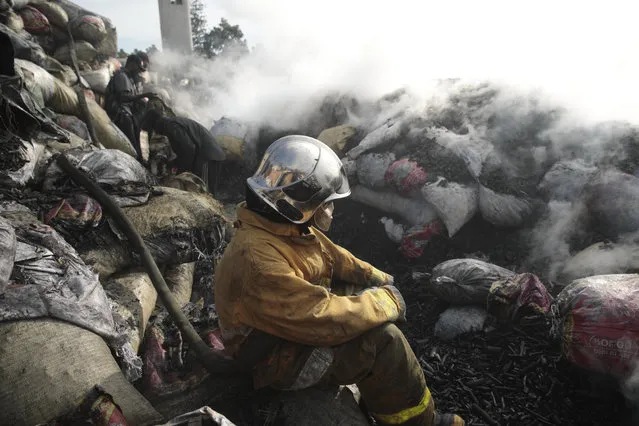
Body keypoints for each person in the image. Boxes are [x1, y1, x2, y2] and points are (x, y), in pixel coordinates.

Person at [214, 135, 465, 426]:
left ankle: (382, 392)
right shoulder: (258, 261)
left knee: (367, 299)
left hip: (286, 326)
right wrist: (386, 302)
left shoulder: (283, 227)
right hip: (273, 358)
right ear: (296, 202)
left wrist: (382, 279)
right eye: (325, 203)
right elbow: (320, 317)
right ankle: (420, 422)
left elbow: (335, 257)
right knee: (383, 341)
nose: (329, 210)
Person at [140, 108, 226, 191]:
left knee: (205, 192)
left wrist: (183, 170)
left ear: (156, 123)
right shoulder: (172, 123)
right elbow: (185, 150)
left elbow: (189, 148)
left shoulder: (172, 126)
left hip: (208, 157)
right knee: (201, 190)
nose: (156, 132)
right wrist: (176, 162)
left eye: (154, 128)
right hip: (207, 156)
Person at [104, 54, 155, 160]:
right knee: (131, 144)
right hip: (120, 114)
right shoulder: (121, 76)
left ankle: (140, 158)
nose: (138, 71)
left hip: (128, 113)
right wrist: (143, 96)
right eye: (138, 68)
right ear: (131, 64)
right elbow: (123, 98)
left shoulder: (129, 78)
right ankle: (136, 161)